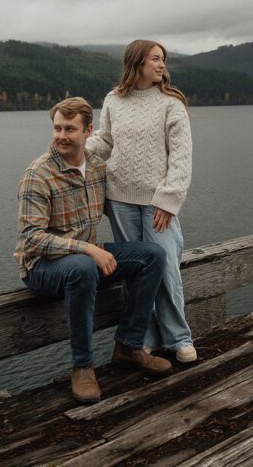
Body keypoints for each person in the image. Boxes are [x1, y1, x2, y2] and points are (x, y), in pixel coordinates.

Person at [15, 96, 172, 404]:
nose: (61, 135)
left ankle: (128, 346)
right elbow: (30, 239)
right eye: (57, 128)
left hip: (84, 258)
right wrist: (87, 248)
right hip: (42, 268)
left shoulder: (98, 168)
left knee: (152, 256)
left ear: (88, 131)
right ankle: (83, 366)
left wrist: (166, 203)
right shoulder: (39, 174)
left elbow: (129, 193)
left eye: (69, 129)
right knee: (84, 267)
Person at [87, 40, 197, 363]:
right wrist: (77, 153)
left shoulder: (171, 103)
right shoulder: (114, 100)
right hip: (119, 198)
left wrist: (168, 199)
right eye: (155, 59)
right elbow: (104, 141)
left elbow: (181, 157)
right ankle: (143, 337)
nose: (162, 65)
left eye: (163, 60)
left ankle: (179, 337)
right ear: (137, 62)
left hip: (157, 202)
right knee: (138, 272)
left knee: (165, 267)